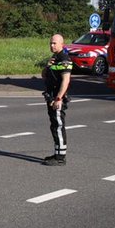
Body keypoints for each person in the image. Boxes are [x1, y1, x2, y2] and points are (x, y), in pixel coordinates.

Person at [42, 33, 73, 166]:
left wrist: (59, 98)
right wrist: (47, 66)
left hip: (57, 98)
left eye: (54, 43)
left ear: (62, 44)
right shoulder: (54, 58)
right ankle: (57, 153)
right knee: (54, 126)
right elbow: (44, 75)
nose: (52, 45)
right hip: (51, 97)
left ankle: (60, 158)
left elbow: (66, 80)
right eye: (50, 43)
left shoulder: (64, 59)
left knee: (59, 126)